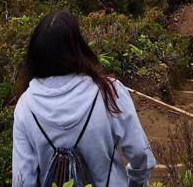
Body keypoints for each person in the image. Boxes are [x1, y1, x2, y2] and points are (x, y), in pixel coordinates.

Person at [12, 11, 155, 187]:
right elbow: (141, 154)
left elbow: (22, 180)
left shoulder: (25, 107)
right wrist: (135, 183)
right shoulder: (109, 92)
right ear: (78, 47)